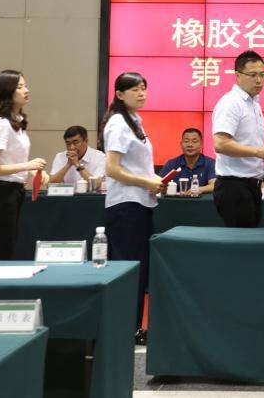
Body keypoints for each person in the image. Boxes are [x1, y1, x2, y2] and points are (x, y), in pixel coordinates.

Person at [102, 71, 162, 344]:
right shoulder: (118, 123)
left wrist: (151, 181)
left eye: (144, 88)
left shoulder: (134, 121)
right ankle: (124, 329)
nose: (142, 93)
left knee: (138, 269)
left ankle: (133, 327)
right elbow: (112, 169)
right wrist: (147, 181)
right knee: (128, 269)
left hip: (139, 202)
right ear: (119, 94)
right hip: (126, 204)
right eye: (135, 89)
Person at [0, 70, 47, 260]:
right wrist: (27, 166)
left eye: (25, 85)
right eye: (19, 87)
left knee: (7, 248)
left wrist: (33, 170)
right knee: (1, 251)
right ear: (6, 92)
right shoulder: (0, 124)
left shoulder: (16, 122)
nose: (26, 90)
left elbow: (11, 159)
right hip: (0, 194)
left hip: (14, 192)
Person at [212, 50, 264, 227]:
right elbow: (220, 144)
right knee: (240, 241)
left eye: (262, 74)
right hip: (234, 186)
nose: (259, 80)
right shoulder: (231, 103)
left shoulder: (254, 103)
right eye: (253, 75)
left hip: (252, 185)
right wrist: (258, 152)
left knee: (249, 239)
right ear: (238, 75)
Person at [159, 128, 217, 195]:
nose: (190, 145)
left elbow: (214, 185)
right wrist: (163, 188)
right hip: (177, 200)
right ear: (181, 144)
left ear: (201, 144)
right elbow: (159, 184)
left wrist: (201, 189)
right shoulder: (172, 164)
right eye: (186, 141)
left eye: (194, 141)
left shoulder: (210, 163)